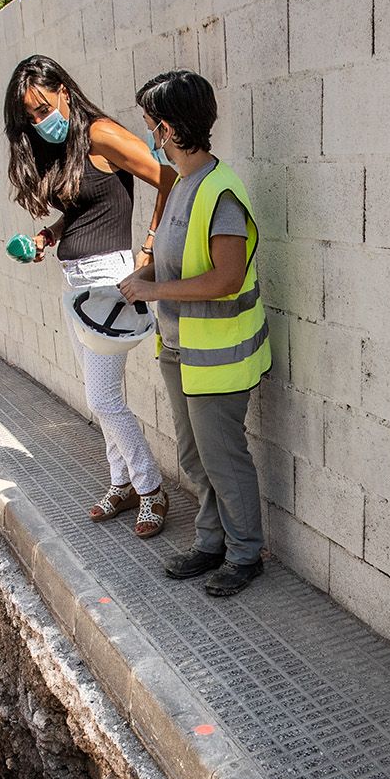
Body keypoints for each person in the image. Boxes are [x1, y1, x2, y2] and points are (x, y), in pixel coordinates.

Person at [4, 54, 179, 539]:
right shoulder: (65, 148)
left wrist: (149, 245)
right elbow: (83, 211)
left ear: (63, 89)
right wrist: (47, 237)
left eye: (44, 109)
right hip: (76, 281)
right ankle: (121, 482)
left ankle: (150, 488)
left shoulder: (99, 133)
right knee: (96, 395)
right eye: (31, 118)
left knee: (102, 397)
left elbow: (169, 178)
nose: (41, 123)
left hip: (109, 281)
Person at [117, 70, 269, 597]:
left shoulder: (221, 193)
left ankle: (246, 554)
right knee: (192, 456)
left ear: (168, 127)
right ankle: (211, 543)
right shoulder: (182, 186)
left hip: (219, 358)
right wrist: (144, 276)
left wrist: (154, 292)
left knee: (223, 458)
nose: (150, 136)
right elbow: (173, 260)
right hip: (182, 351)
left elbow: (225, 278)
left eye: (150, 125)